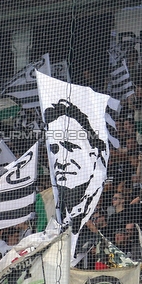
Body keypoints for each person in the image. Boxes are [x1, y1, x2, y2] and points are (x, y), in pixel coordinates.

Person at [43, 99, 109, 231]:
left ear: (93, 152)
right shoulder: (55, 207)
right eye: (55, 149)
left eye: (70, 147)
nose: (60, 160)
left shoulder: (104, 199)